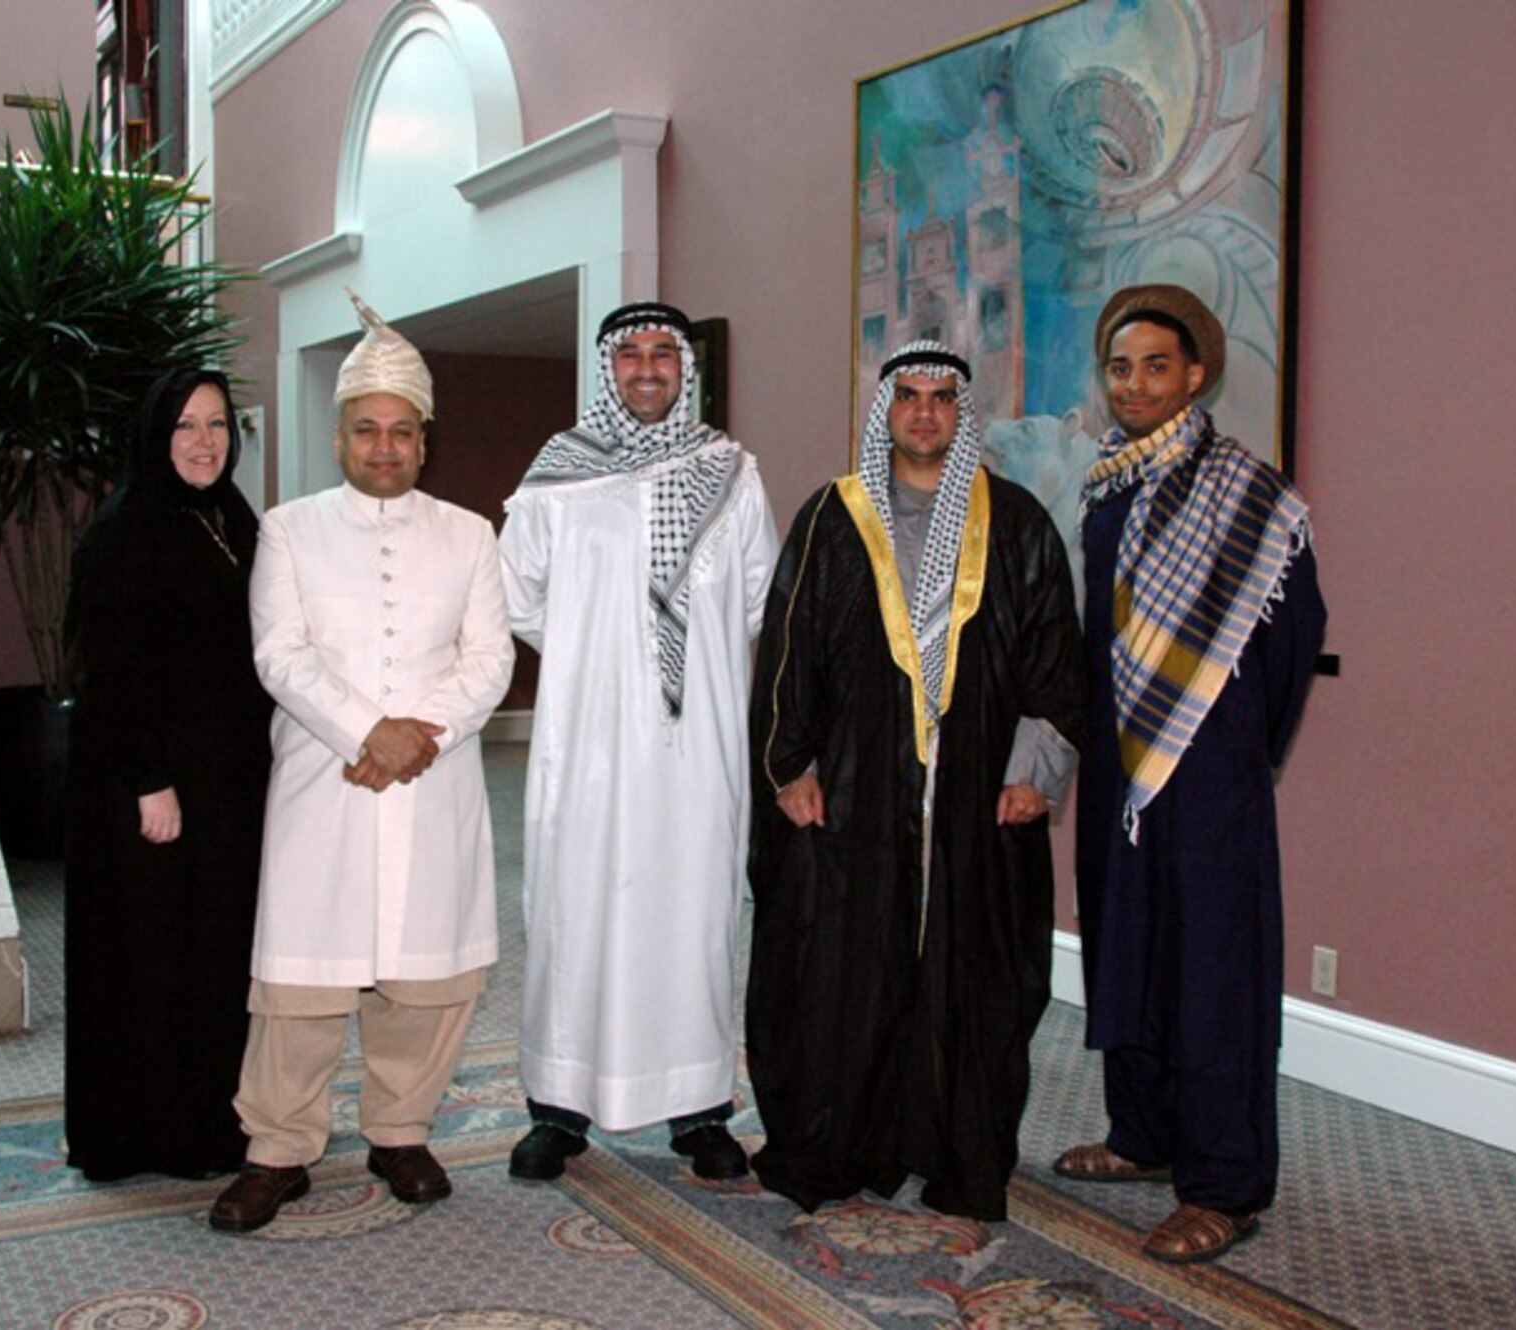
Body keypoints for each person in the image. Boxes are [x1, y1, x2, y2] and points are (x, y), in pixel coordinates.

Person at [745, 340, 1084, 1229]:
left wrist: (1034, 771)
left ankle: (952, 1153)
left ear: (962, 415)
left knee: (967, 980)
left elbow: (1056, 657)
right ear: (883, 410)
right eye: (908, 397)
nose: (924, 413)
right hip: (852, 792)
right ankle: (841, 1146)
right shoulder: (832, 516)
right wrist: (791, 767)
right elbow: (785, 656)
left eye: (942, 398)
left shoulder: (1013, 522)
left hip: (975, 795)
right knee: (842, 971)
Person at [209, 296, 514, 1233]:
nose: (385, 447)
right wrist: (366, 732)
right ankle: (279, 1148)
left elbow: (491, 658)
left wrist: (418, 733)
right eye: (366, 430)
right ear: (338, 437)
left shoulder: (470, 534)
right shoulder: (288, 530)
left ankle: (400, 1128)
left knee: (425, 978)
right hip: (325, 781)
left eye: (403, 432)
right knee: (300, 982)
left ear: (426, 441)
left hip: (433, 778)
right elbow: (281, 655)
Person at [1053, 284, 1326, 1265]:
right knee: (1125, 947)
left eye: (1154, 365)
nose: (1133, 384)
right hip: (1119, 771)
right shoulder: (1104, 486)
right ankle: (1143, 1136)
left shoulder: (1251, 494)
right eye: (1118, 367)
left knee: (1212, 969)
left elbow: (1295, 641)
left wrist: (1233, 745)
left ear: (1195, 372)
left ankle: (1223, 1182)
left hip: (1208, 774)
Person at [498, 301, 779, 1182]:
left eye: (666, 353)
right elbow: (518, 599)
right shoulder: (558, 474)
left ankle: (697, 1108)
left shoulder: (732, 473)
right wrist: (601, 659)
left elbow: (755, 601)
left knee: (692, 910)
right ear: (607, 369)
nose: (649, 368)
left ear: (685, 369)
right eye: (632, 355)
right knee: (575, 908)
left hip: (695, 750)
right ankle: (560, 1107)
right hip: (585, 745)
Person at [63, 367, 274, 1182]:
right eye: (186, 425)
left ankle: (209, 1120)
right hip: (149, 788)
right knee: (149, 957)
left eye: (218, 425)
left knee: (212, 955)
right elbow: (107, 671)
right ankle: (143, 1133)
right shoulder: (125, 529)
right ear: (157, 435)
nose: (203, 442)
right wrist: (150, 782)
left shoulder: (232, 519)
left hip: (225, 783)